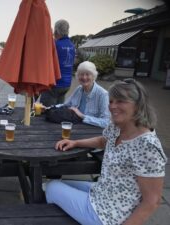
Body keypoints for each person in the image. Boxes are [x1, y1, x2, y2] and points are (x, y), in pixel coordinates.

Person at [46, 79, 167, 225]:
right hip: (102, 191)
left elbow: (152, 201)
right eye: (111, 101)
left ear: (138, 105)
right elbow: (103, 141)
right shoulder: (119, 126)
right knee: (51, 184)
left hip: (108, 216)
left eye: (121, 101)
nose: (112, 106)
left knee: (52, 187)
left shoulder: (148, 146)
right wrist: (75, 142)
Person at [61, 61, 110, 128]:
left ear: (93, 76)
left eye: (87, 74)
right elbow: (66, 105)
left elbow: (106, 122)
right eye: (81, 74)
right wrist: (48, 108)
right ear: (78, 76)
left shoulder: (103, 94)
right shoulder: (79, 89)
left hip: (92, 132)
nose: (84, 77)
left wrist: (82, 116)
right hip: (77, 128)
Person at [40, 19, 75, 107]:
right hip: (66, 85)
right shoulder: (71, 45)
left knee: (47, 111)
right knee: (58, 111)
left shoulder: (55, 45)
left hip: (54, 84)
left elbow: (45, 62)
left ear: (56, 30)